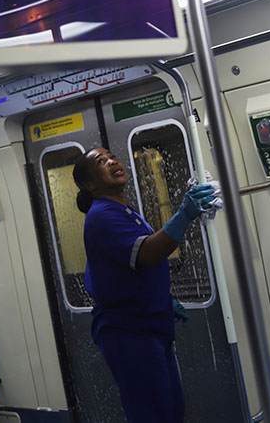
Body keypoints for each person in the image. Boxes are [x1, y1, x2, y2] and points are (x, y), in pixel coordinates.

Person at [72, 147, 219, 423]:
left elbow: (121, 269)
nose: (113, 161)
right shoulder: (102, 215)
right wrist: (185, 214)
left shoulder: (123, 211)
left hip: (149, 324)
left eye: (112, 156)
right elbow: (149, 253)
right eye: (101, 161)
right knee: (153, 415)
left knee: (171, 411)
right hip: (129, 332)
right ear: (90, 184)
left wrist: (163, 299)